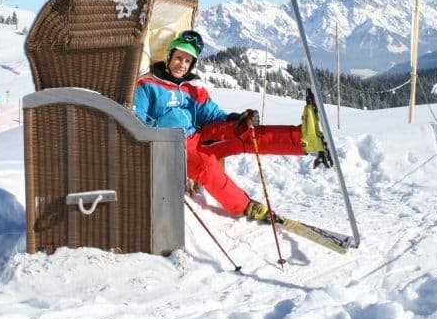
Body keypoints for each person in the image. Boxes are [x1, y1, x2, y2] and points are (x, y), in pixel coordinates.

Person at [133, 30, 322, 222]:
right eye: (178, 58)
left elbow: (211, 113)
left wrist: (236, 119)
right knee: (206, 167)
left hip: (197, 137)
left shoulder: (192, 87)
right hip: (170, 145)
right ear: (169, 57)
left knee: (243, 132)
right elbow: (136, 122)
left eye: (187, 61)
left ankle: (303, 140)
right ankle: (245, 206)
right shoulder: (147, 85)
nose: (181, 64)